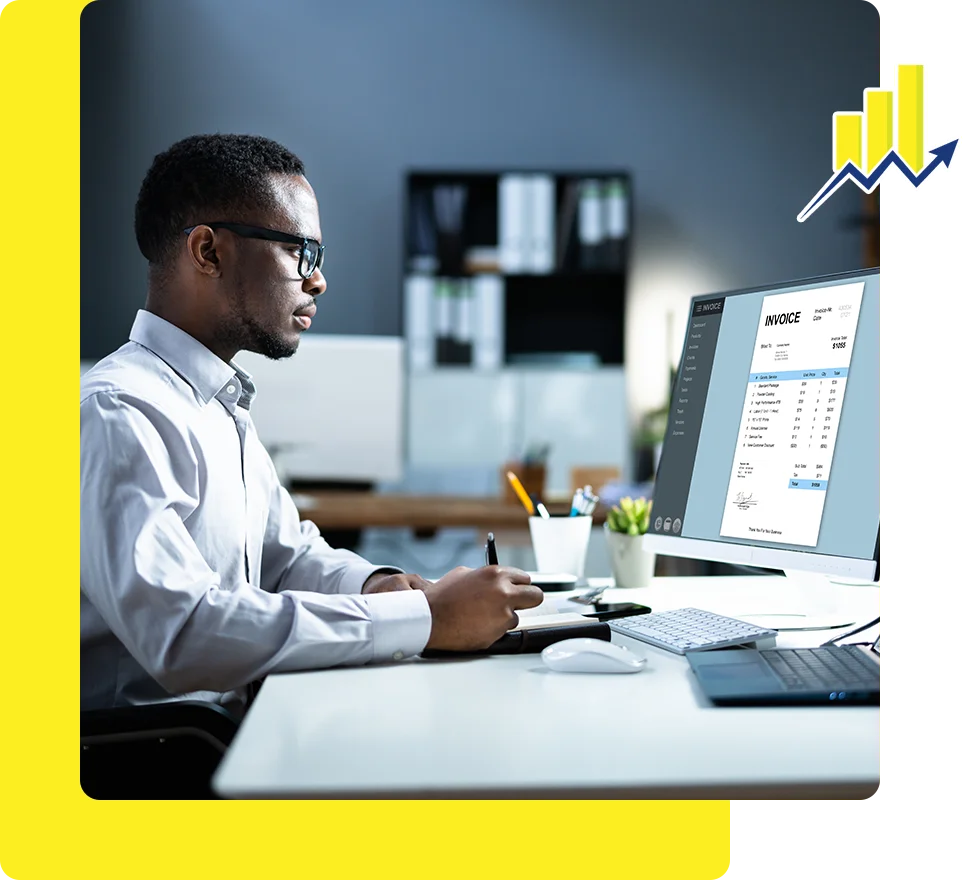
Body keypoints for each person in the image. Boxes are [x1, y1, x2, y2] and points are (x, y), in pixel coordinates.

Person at [81, 133, 542, 716]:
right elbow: (184, 633)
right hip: (157, 761)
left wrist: (385, 587)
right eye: (301, 252)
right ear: (208, 252)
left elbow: (286, 558)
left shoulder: (219, 404)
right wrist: (425, 620)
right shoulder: (119, 412)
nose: (317, 280)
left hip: (230, 727)